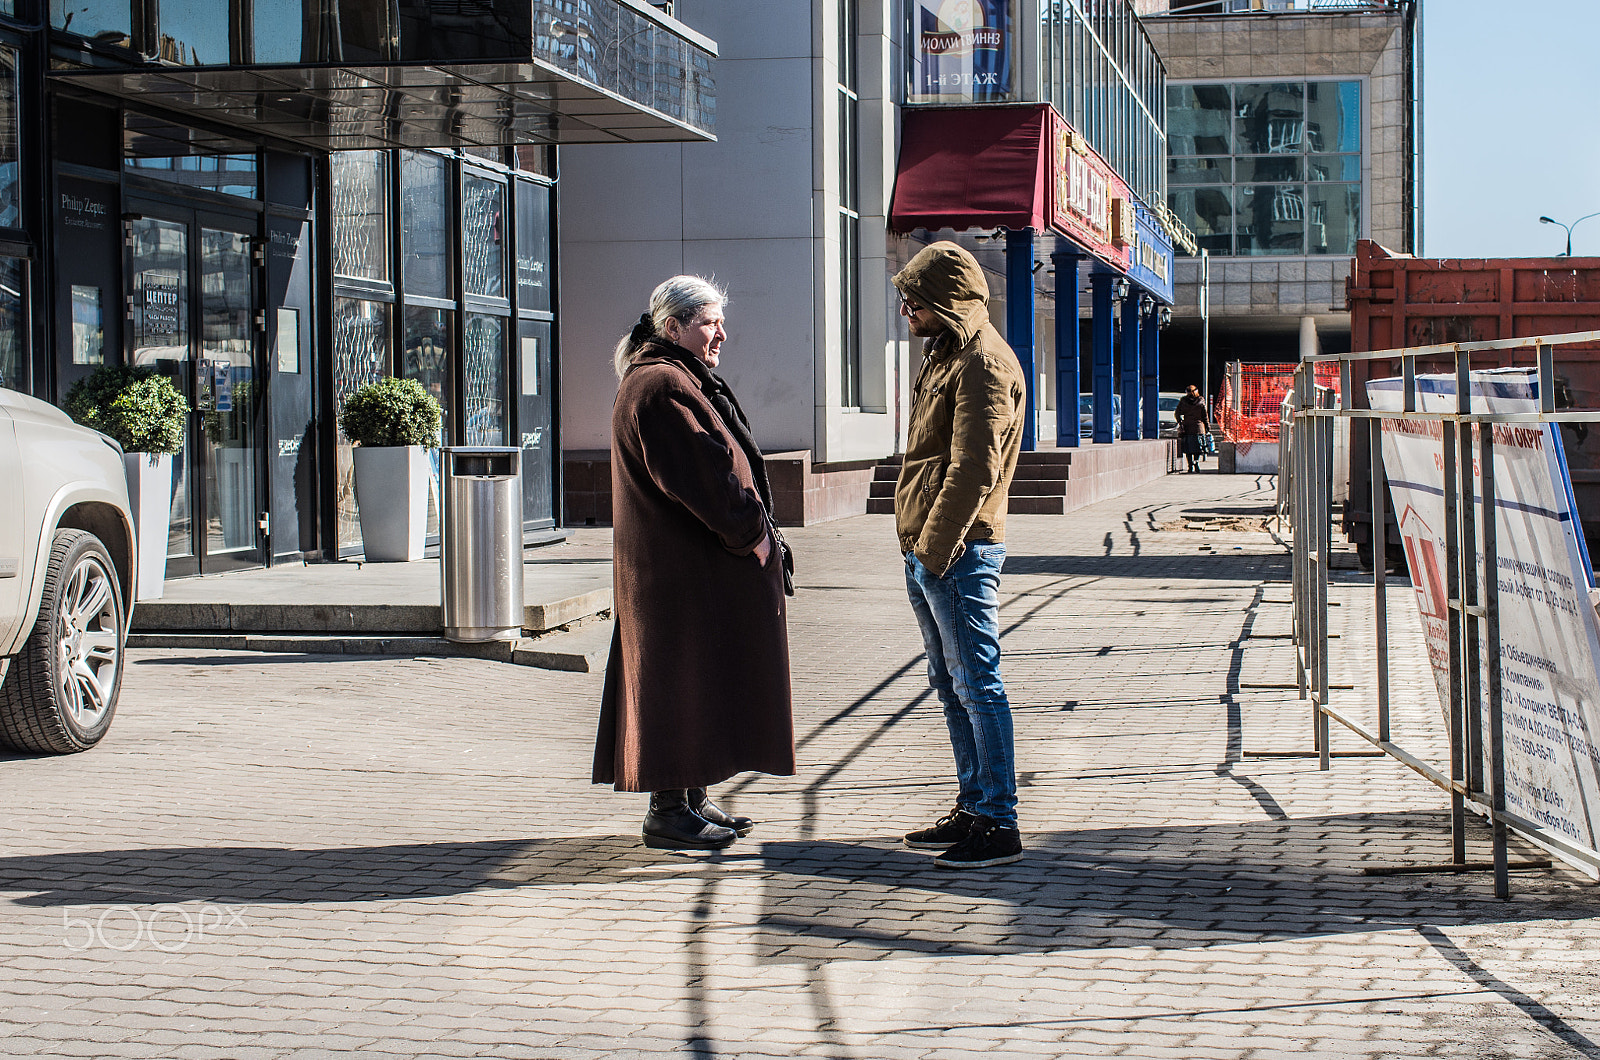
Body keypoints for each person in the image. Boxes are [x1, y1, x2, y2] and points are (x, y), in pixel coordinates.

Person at [594, 275, 795, 851]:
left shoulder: (671, 378)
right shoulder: (661, 386)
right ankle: (669, 811)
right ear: (673, 326)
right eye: (709, 322)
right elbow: (705, 479)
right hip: (677, 578)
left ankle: (690, 797)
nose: (720, 334)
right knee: (679, 684)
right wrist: (753, 535)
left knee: (696, 683)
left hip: (683, 573)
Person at [891, 242, 1027, 870]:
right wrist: (918, 546)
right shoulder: (946, 353)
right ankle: (974, 803)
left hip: (961, 551)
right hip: (930, 547)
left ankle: (999, 821)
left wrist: (935, 551)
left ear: (942, 299)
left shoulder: (984, 363)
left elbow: (974, 468)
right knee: (949, 684)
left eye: (913, 299)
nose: (904, 308)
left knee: (978, 682)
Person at [1176, 384, 1210, 472]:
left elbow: (1177, 413)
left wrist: (1180, 422)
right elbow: (1205, 416)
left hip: (1187, 427)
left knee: (1188, 449)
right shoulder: (1201, 401)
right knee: (1198, 448)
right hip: (1199, 428)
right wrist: (1207, 427)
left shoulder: (1183, 401)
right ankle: (1196, 463)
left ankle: (1190, 466)